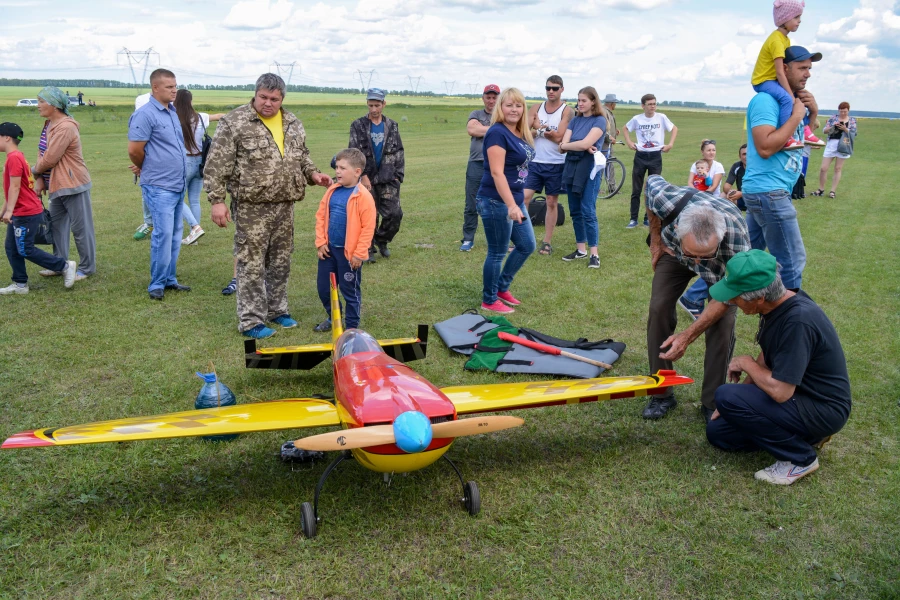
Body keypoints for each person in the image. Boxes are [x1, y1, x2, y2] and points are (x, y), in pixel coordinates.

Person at [204, 73, 332, 338]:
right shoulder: (235, 122)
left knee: (280, 262)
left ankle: (277, 310)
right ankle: (251, 321)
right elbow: (216, 166)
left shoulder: (292, 122)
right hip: (252, 207)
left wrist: (314, 174)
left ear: (282, 98)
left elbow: (302, 156)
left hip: (285, 205)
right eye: (263, 97)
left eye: (274, 99)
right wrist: (217, 201)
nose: (268, 103)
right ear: (255, 94)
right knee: (251, 263)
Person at [706, 250, 851, 485]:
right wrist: (739, 399)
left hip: (821, 407)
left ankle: (800, 459)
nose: (731, 301)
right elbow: (769, 352)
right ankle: (807, 436)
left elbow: (781, 392)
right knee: (719, 433)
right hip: (798, 398)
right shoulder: (778, 306)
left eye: (736, 296)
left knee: (725, 394)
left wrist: (745, 365)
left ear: (759, 298)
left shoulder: (798, 321)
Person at [644, 175, 750, 421]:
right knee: (658, 308)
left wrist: (686, 336)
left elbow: (727, 299)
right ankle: (661, 393)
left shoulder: (737, 243)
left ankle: (712, 402)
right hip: (674, 255)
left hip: (720, 266)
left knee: (722, 325)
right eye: (694, 254)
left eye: (704, 255)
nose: (697, 264)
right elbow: (650, 185)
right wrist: (656, 241)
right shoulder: (667, 201)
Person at [743, 45, 821, 293]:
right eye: (802, 67)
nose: (807, 73)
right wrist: (797, 116)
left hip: (770, 192)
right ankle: (788, 320)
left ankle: (695, 297)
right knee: (791, 262)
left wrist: (812, 113)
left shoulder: (792, 102)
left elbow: (801, 137)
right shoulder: (766, 100)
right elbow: (765, 147)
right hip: (770, 192)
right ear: (783, 69)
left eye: (809, 68)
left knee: (743, 257)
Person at [128, 69, 189, 301]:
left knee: (175, 234)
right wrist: (148, 167)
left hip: (177, 183)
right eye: (168, 86)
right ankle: (156, 284)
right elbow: (134, 150)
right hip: (159, 185)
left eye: (175, 85)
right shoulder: (144, 115)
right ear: (155, 88)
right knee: (162, 234)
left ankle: (169, 278)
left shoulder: (172, 112)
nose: (174, 90)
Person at [476, 87, 536, 314]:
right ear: (500, 107)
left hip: (514, 199)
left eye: (518, 105)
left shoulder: (520, 133)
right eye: (509, 105)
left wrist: (517, 199)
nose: (514, 109)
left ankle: (501, 288)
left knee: (527, 245)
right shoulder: (497, 133)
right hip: (496, 201)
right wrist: (511, 205)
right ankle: (489, 300)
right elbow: (497, 173)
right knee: (497, 252)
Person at [0, 122, 76, 294]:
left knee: (25, 248)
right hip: (19, 211)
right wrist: (4, 209)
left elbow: (15, 187)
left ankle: (64, 266)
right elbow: (10, 189)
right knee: (12, 247)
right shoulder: (16, 156)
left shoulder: (14, 158)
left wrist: (9, 211)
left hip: (26, 212)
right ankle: (20, 284)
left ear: (6, 138)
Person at [31, 86, 96, 281]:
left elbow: (50, 158)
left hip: (72, 182)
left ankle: (86, 268)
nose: (38, 105)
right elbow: (41, 151)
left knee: (81, 228)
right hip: (56, 185)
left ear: (54, 105)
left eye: (41, 101)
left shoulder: (66, 127)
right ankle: (59, 264)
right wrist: (41, 179)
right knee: (57, 227)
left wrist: (34, 171)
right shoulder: (48, 124)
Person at [313, 148, 376, 332]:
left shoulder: (363, 196)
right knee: (324, 289)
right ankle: (334, 318)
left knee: (350, 292)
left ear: (357, 172)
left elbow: (367, 229)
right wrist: (321, 242)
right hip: (328, 251)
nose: (337, 171)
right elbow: (321, 217)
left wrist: (359, 254)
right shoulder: (332, 190)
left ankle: (352, 328)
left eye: (342, 168)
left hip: (349, 256)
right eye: (337, 167)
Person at [750, 0, 824, 150]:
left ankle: (805, 130)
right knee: (786, 98)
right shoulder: (777, 40)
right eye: (796, 17)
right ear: (785, 18)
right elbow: (779, 72)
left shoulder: (785, 39)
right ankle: (787, 138)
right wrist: (790, 96)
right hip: (763, 80)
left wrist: (812, 112)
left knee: (795, 96)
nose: (799, 21)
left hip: (772, 79)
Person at [348, 88, 404, 261]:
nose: (373, 109)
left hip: (388, 177)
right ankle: (368, 248)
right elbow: (354, 152)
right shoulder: (358, 125)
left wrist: (398, 174)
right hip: (367, 178)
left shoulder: (392, 125)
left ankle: (382, 240)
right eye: (371, 105)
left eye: (377, 105)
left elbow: (399, 151)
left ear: (384, 104)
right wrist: (362, 175)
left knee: (394, 213)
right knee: (368, 214)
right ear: (367, 104)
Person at [523, 75, 573, 256]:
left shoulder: (567, 111)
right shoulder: (536, 107)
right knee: (524, 198)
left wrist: (539, 128)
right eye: (548, 88)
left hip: (556, 164)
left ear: (562, 89)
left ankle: (547, 242)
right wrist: (543, 130)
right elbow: (526, 132)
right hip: (535, 162)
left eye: (555, 88)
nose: (551, 91)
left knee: (551, 202)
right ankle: (522, 238)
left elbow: (560, 136)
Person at [558, 86, 606, 269]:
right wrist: (580, 146)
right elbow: (560, 147)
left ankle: (594, 254)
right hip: (571, 168)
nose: (580, 104)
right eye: (578, 100)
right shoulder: (575, 121)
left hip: (590, 170)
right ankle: (581, 249)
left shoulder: (600, 121)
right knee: (575, 210)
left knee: (588, 210)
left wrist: (574, 145)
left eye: (584, 100)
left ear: (593, 101)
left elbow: (582, 143)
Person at [678, 140, 727, 319]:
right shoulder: (696, 164)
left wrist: (703, 194)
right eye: (708, 150)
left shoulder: (718, 166)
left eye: (714, 150)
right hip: (697, 199)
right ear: (702, 151)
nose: (711, 152)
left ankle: (697, 296)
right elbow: (690, 183)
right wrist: (695, 196)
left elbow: (713, 187)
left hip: (712, 201)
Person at [173, 89, 224, 246]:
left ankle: (195, 228)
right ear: (190, 101)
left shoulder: (174, 117)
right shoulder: (200, 117)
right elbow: (220, 116)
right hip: (200, 162)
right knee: (194, 200)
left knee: (176, 198)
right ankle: (193, 236)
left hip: (184, 162)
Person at [623, 94, 677, 228]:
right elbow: (625, 128)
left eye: (654, 103)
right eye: (650, 104)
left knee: (654, 189)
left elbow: (674, 128)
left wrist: (670, 144)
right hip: (640, 156)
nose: (652, 106)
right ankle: (633, 219)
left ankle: (648, 218)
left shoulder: (661, 117)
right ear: (643, 106)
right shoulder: (637, 119)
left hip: (655, 156)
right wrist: (629, 142)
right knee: (637, 189)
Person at [460, 84, 499, 252]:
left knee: (497, 203)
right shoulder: (476, 114)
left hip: (498, 164)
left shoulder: (503, 115)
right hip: (476, 163)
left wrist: (483, 130)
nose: (491, 100)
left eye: (494, 97)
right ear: (483, 98)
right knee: (471, 203)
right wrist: (496, 130)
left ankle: (498, 238)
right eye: (488, 97)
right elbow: (471, 129)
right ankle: (468, 239)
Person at [811, 102, 857, 199]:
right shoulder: (833, 118)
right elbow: (824, 130)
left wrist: (845, 129)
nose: (843, 113)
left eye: (845, 111)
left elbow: (854, 133)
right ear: (838, 110)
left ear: (848, 111)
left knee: (838, 168)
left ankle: (833, 191)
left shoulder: (852, 120)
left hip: (844, 144)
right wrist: (833, 127)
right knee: (823, 168)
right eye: (841, 111)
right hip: (832, 143)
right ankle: (821, 189)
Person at [132, 92, 153, 241]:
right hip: (145, 162)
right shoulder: (139, 123)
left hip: (159, 165)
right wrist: (139, 164)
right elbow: (136, 148)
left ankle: (194, 225)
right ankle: (149, 222)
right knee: (145, 192)